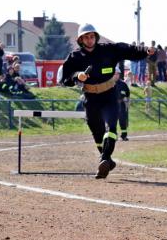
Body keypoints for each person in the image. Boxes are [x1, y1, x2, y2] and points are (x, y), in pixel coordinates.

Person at [61, 24, 152, 179]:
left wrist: (145, 51)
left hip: (110, 95)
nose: (89, 40)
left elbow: (126, 49)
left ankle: (104, 159)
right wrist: (77, 76)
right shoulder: (75, 57)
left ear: (96, 37)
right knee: (97, 132)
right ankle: (107, 161)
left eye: (92, 36)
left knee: (111, 127)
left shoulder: (108, 50)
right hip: (90, 98)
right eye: (86, 37)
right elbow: (65, 79)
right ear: (80, 40)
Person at [116, 75, 131, 141]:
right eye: (115, 74)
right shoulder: (109, 83)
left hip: (121, 104)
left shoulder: (123, 84)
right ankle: (113, 136)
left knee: (123, 120)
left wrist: (128, 103)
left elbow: (128, 94)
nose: (116, 75)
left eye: (117, 74)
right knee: (112, 121)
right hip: (112, 104)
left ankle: (124, 135)